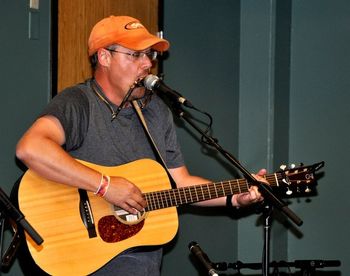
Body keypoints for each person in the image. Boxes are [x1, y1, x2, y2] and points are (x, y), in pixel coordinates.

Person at [16, 15, 266, 276]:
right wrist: (106, 186)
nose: (147, 64)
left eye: (149, 55)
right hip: (86, 263)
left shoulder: (156, 111)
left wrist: (236, 197)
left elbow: (180, 183)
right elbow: (31, 148)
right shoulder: (79, 103)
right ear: (104, 57)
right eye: (135, 55)